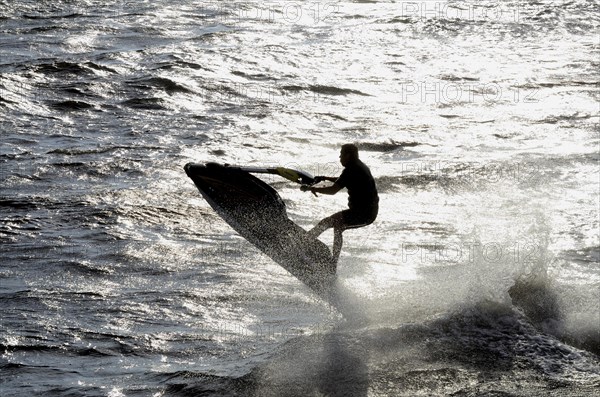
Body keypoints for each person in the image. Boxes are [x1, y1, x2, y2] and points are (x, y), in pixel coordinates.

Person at [301, 144, 379, 264]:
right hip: (368, 212)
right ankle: (333, 262)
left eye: (341, 154)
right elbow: (343, 179)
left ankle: (304, 243)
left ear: (347, 156)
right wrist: (324, 178)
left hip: (363, 213)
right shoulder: (358, 167)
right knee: (338, 225)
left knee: (328, 222)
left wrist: (314, 189)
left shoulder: (351, 169)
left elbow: (333, 190)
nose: (339, 157)